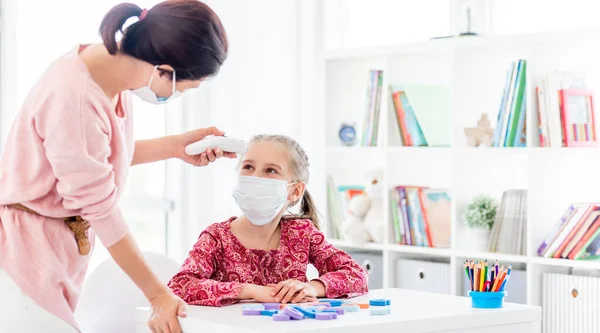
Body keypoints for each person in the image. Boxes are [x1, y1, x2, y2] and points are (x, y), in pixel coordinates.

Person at [0, 1, 230, 333]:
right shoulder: (75, 97)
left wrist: (176, 146)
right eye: (183, 87)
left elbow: (93, 158)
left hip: (54, 255)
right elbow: (102, 211)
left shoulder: (110, 74)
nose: (178, 94)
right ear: (164, 70)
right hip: (25, 258)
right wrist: (158, 295)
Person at [167, 135, 369, 306]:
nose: (256, 177)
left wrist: (311, 287)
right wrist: (250, 291)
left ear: (295, 190)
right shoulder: (216, 237)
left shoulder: (301, 233)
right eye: (248, 166)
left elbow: (356, 275)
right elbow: (181, 285)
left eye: (270, 170)